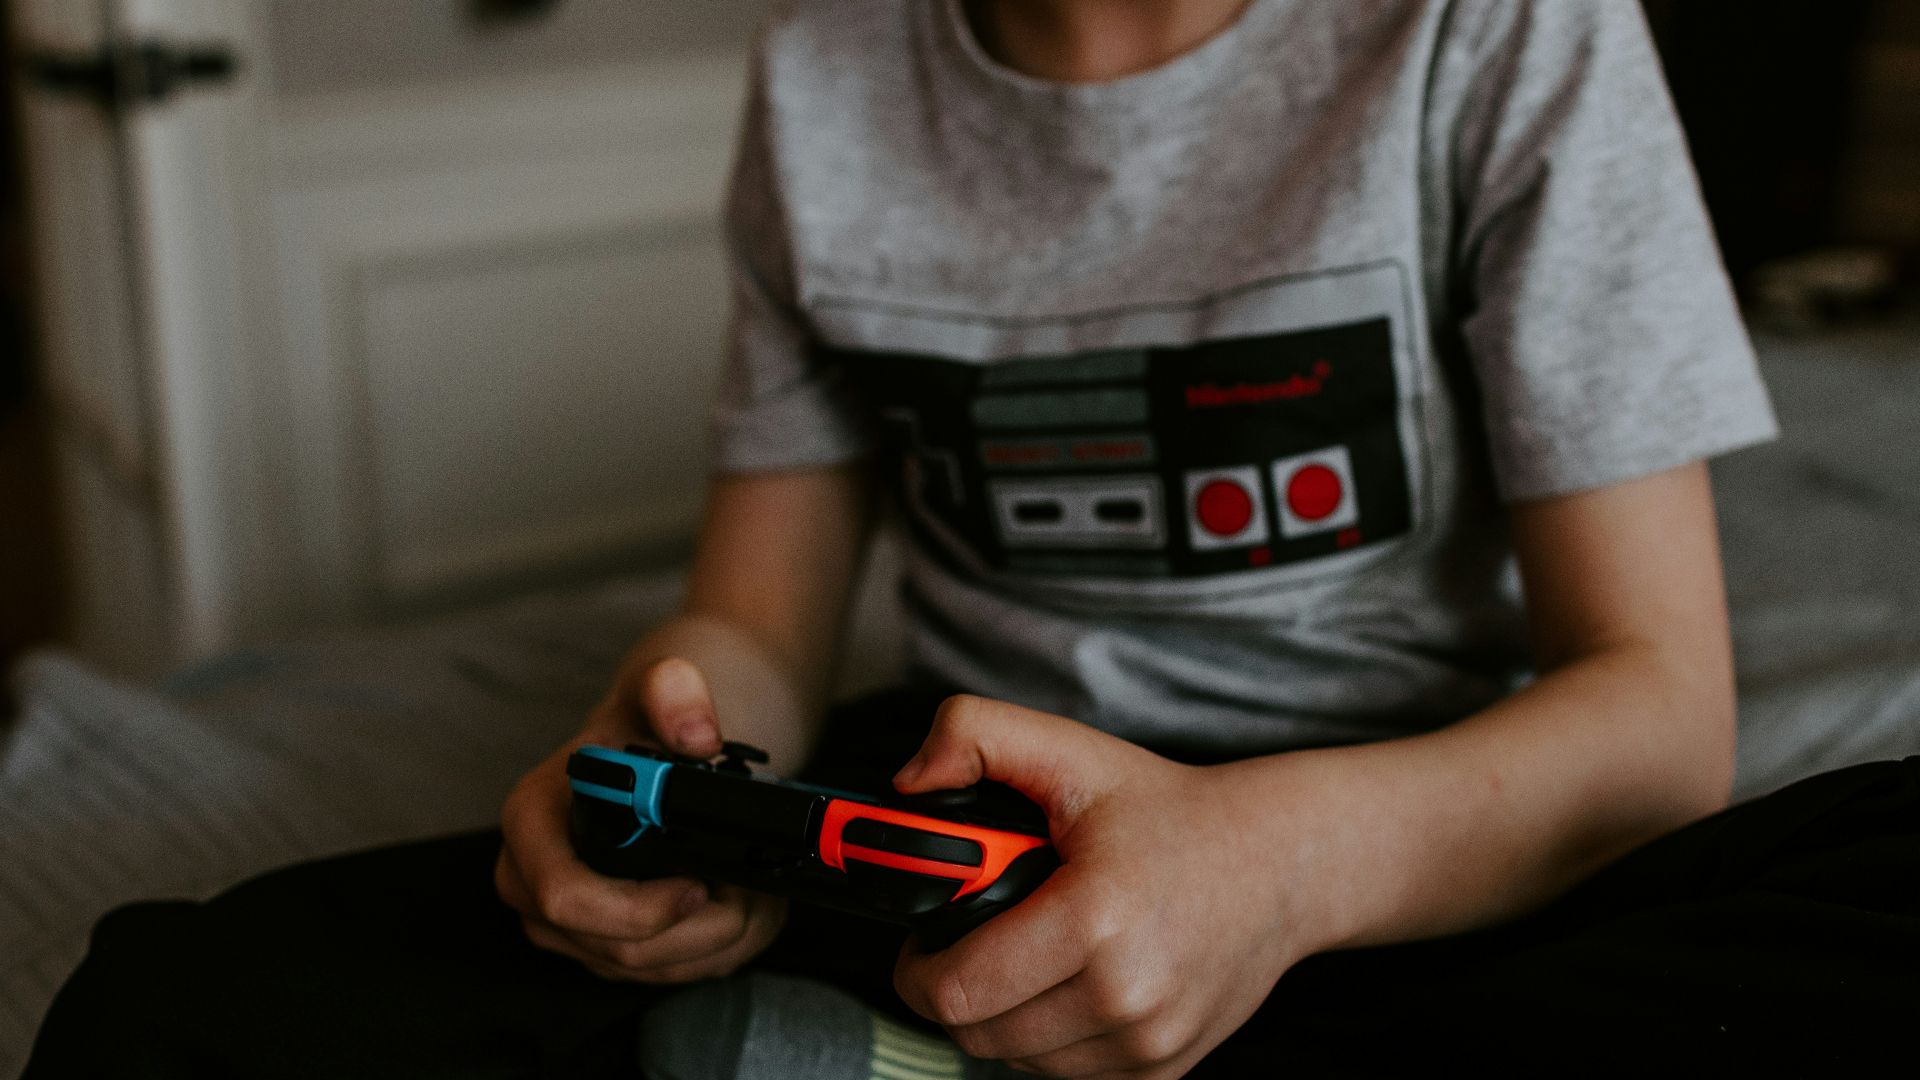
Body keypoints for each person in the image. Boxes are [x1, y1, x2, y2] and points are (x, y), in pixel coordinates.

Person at [26, 1, 1920, 1077]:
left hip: (1402, 850)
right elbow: (750, 625)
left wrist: (1271, 868)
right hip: (952, 851)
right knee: (171, 1002)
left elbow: (1660, 719)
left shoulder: (1502, 35)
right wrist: (660, 763)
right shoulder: (829, 80)